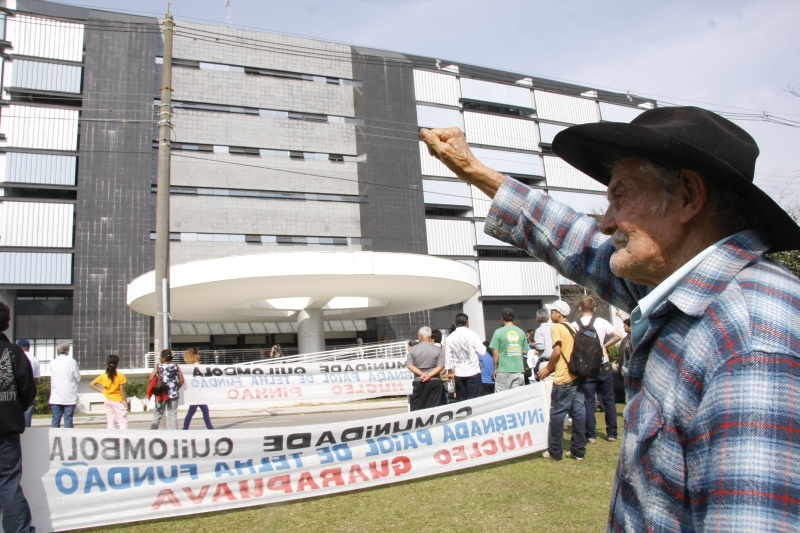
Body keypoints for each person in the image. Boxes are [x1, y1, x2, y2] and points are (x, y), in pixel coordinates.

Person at [420, 106, 800, 530]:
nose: (605, 223)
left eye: (620, 197)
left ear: (688, 196)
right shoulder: (685, 290)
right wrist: (473, 170)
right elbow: (577, 243)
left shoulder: (751, 340)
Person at [0, 302, 36, 533]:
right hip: (5, 430)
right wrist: (11, 408)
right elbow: (27, 391)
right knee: (8, 484)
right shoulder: (14, 352)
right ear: (6, 323)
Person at [536, 300, 586, 461]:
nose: (550, 315)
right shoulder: (573, 328)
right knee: (579, 413)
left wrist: (548, 368)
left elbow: (557, 351)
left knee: (557, 413)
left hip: (563, 376)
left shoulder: (556, 327)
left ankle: (554, 451)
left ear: (559, 313)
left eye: (552, 312)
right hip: (576, 375)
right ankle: (578, 450)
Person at [572, 296, 623, 444]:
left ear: (580, 308)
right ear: (595, 309)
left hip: (586, 367)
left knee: (588, 401)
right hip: (602, 365)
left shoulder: (575, 325)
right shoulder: (601, 322)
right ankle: (612, 433)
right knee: (608, 400)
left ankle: (591, 435)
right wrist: (605, 346)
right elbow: (619, 335)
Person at [443, 312, 485, 401]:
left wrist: (449, 372)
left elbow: (448, 356)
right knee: (475, 401)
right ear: (467, 322)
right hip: (473, 371)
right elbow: (482, 352)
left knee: (462, 401)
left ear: (456, 323)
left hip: (459, 373)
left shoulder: (450, 337)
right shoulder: (473, 335)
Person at [405, 326, 445, 411]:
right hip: (435, 381)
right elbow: (441, 366)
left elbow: (409, 365)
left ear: (421, 337)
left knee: (418, 408)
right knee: (435, 408)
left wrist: (422, 374)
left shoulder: (413, 350)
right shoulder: (438, 350)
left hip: (419, 380)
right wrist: (429, 375)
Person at [489, 308, 529, 392]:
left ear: (502, 318)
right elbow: (525, 351)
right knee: (517, 396)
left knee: (502, 397)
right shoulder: (521, 332)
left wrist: (495, 368)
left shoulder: (498, 332)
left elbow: (495, 352)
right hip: (519, 370)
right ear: (513, 318)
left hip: (504, 370)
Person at [89, 354, 129, 430]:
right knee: (122, 421)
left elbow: (91, 384)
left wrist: (102, 391)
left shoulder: (104, 375)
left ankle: (110, 436)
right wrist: (125, 402)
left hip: (107, 400)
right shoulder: (120, 375)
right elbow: (122, 390)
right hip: (117, 400)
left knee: (110, 422)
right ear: (117, 364)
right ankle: (123, 436)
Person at [149, 349, 184, 430]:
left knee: (158, 414)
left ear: (164, 358)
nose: (160, 358)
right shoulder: (176, 366)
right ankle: (174, 433)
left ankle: (152, 432)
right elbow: (182, 380)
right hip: (174, 394)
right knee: (173, 414)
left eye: (160, 357)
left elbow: (150, 379)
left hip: (161, 394)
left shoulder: (158, 367)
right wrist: (175, 388)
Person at [49, 341, 80, 428]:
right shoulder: (71, 362)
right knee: (68, 419)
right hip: (69, 396)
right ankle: (68, 437)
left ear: (58, 351)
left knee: (55, 419)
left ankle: (54, 436)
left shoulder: (52, 362)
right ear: (67, 351)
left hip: (56, 396)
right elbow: (78, 377)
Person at [182, 348, 214, 430]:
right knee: (202, 410)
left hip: (194, 391)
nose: (200, 355)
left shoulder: (189, 366)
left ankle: (185, 428)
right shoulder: (196, 365)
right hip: (197, 392)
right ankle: (210, 428)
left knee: (194, 411)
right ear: (194, 355)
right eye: (199, 353)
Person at [17, 339, 39, 427]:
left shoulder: (17, 357)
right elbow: (36, 378)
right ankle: (27, 431)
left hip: (18, 390)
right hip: (29, 390)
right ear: (28, 348)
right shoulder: (35, 359)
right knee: (27, 414)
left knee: (16, 413)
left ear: (20, 347)